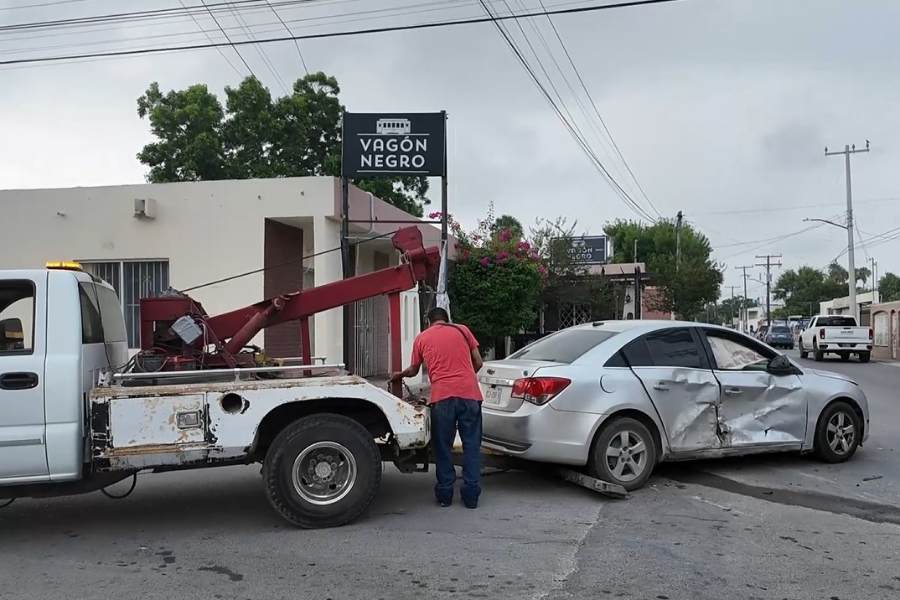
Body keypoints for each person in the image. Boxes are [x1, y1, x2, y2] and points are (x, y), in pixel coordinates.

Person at [391, 307, 484, 508]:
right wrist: (466, 377)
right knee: (471, 445)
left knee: (443, 447)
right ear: (447, 320)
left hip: (442, 398)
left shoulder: (422, 337)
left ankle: (445, 495)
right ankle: (471, 497)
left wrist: (399, 375)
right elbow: (478, 362)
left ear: (428, 321)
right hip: (470, 395)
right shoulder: (462, 330)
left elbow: (413, 370)